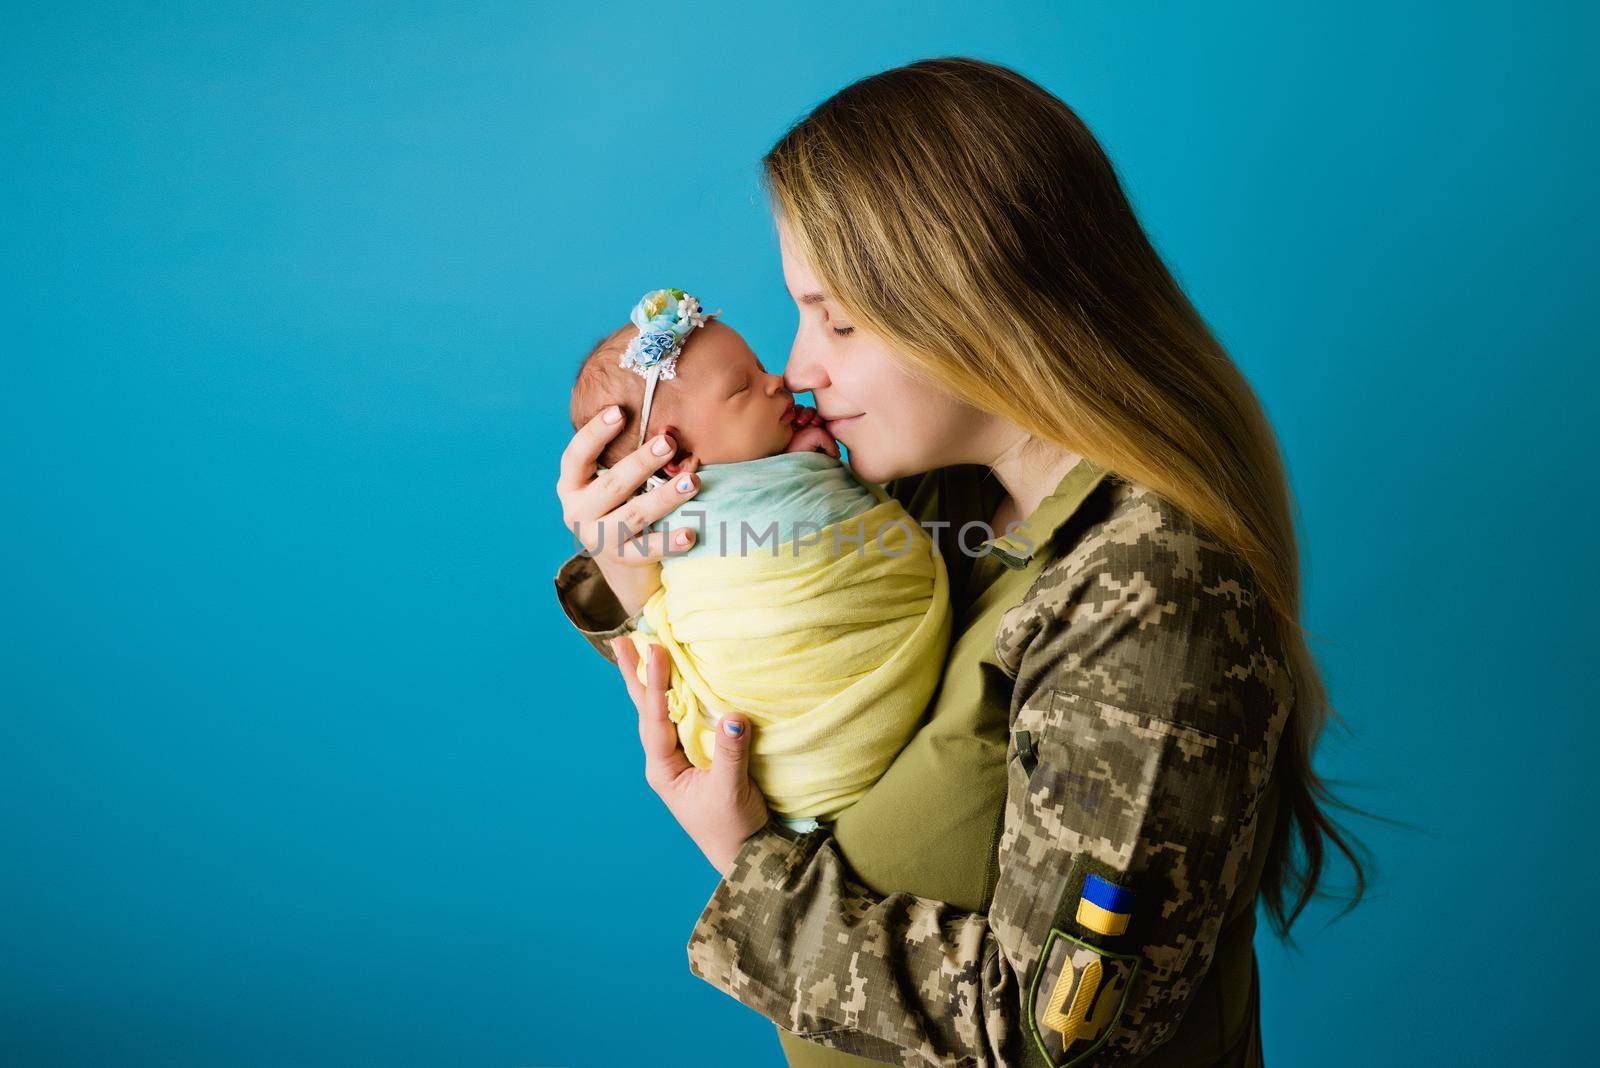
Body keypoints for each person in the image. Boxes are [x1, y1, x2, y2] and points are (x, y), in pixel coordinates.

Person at [553, 57, 1364, 1067]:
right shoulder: (925, 503)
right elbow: (782, 680)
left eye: (838, 321)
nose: (800, 368)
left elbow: (1052, 1036)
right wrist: (639, 577)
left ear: (981, 304)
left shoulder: (1151, 596)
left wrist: (747, 861)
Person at [568, 287, 953, 830]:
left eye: (758, 367)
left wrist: (815, 473)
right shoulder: (670, 528)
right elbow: (721, 618)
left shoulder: (845, 463)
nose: (782, 380)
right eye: (743, 386)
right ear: (674, 459)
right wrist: (628, 583)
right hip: (793, 741)